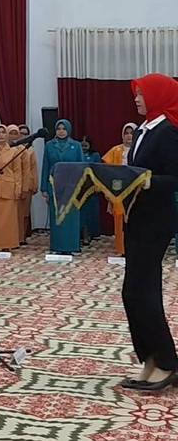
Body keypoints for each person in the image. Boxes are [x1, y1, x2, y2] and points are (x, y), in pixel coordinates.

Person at [119, 73, 178, 390]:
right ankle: (151, 359)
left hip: (155, 223)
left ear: (157, 96)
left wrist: (148, 181)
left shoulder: (168, 132)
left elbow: (175, 177)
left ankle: (167, 363)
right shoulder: (143, 129)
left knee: (144, 293)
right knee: (132, 293)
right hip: (137, 219)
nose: (136, 99)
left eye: (141, 94)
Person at [40, 119, 83, 254]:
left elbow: (82, 167)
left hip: (72, 187)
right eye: (59, 129)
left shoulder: (76, 146)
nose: (61, 131)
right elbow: (45, 166)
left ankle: (71, 246)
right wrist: (44, 188)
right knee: (57, 217)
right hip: (54, 186)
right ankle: (58, 246)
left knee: (70, 217)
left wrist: (81, 187)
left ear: (68, 130)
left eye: (64, 129)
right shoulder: (49, 145)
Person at [102, 122, 136, 256]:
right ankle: (121, 249)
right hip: (119, 190)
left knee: (135, 218)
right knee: (119, 218)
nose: (129, 136)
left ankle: (134, 249)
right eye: (126, 133)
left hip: (135, 189)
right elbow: (106, 171)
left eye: (131, 133)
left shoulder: (141, 150)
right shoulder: (116, 150)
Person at [18, 124, 38, 243]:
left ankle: (23, 237)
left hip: (28, 184)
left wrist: (35, 185)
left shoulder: (30, 150)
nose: (23, 136)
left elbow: (33, 169)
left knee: (25, 213)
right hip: (14, 184)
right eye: (21, 134)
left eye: (26, 134)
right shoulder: (12, 149)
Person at [80, 136, 102, 245]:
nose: (84, 147)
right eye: (82, 145)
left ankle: (90, 234)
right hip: (79, 188)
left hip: (92, 188)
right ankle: (82, 234)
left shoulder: (95, 155)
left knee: (91, 213)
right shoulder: (77, 154)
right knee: (82, 213)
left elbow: (99, 170)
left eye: (86, 145)